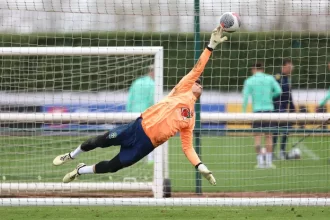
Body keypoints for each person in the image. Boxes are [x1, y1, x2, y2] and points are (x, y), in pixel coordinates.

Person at [52, 26, 228, 185]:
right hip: (136, 128)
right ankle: (71, 155)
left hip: (145, 145)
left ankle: (80, 170)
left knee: (113, 167)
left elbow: (187, 147)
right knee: (99, 141)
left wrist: (200, 165)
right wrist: (210, 46)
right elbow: (197, 69)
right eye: (195, 81)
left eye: (200, 83)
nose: (198, 82)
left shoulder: (190, 119)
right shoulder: (181, 90)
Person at [242, 62, 282, 169]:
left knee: (257, 138)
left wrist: (243, 112)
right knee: (269, 137)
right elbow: (279, 91)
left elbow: (245, 97)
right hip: (269, 110)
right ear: (262, 69)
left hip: (257, 112)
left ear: (253, 69)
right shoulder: (269, 78)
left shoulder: (250, 80)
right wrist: (270, 96)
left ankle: (260, 162)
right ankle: (268, 162)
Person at [126, 65, 155, 164]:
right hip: (146, 114)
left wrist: (128, 111)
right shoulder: (153, 84)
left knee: (135, 136)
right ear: (153, 72)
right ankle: (150, 159)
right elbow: (152, 100)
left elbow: (130, 98)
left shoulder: (136, 82)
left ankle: (134, 157)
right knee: (150, 136)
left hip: (133, 113)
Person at [272, 59, 295, 160]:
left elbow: (289, 95)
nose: (291, 69)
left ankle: (281, 151)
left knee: (287, 129)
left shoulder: (288, 79)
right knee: (276, 130)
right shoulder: (278, 77)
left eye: (291, 68)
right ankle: (272, 152)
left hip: (284, 109)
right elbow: (274, 92)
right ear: (283, 67)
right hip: (276, 108)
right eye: (289, 67)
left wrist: (292, 107)